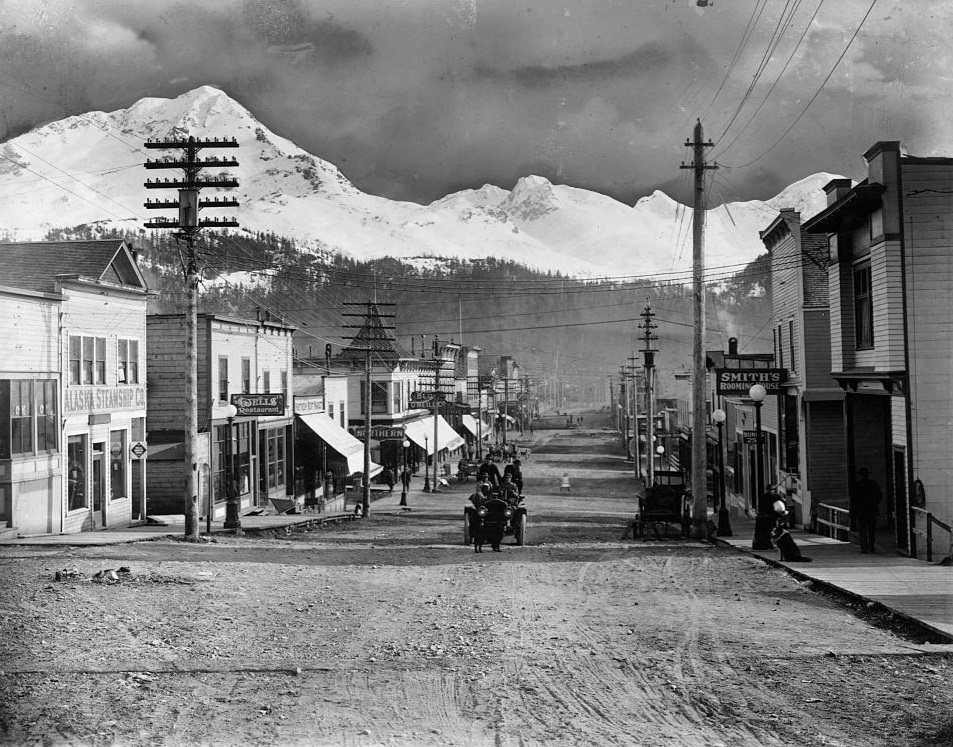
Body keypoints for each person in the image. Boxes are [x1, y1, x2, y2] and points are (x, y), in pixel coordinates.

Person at [852, 467, 882, 554]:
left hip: (861, 511)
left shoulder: (857, 485)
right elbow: (879, 496)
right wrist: (875, 503)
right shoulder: (873, 484)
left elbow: (854, 499)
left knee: (862, 530)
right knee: (871, 530)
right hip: (872, 510)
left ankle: (864, 548)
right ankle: (872, 547)